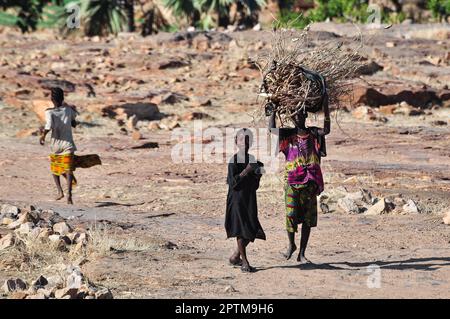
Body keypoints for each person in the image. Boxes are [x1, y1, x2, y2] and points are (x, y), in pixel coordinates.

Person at [268, 103, 330, 264]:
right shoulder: (288, 134)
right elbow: (272, 130)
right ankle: (291, 245)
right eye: (294, 115)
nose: (297, 117)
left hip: (310, 181)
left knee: (308, 219)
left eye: (301, 114)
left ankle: (302, 253)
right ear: (291, 117)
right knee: (290, 215)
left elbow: (327, 130)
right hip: (292, 180)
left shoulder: (314, 133)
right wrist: (273, 110)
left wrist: (326, 105)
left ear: (305, 116)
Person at [225, 128, 265, 273]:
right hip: (236, 200)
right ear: (236, 142)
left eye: (248, 139)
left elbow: (255, 186)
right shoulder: (233, 161)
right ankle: (245, 263)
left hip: (249, 199)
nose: (245, 142)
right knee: (242, 231)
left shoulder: (252, 159)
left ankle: (236, 256)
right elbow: (233, 183)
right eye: (242, 139)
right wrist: (247, 170)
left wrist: (258, 173)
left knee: (252, 229)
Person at [40, 87, 78, 205]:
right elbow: (74, 123)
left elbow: (48, 126)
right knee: (68, 170)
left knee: (55, 169)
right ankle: (69, 196)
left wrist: (42, 136)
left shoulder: (49, 112)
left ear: (52, 99)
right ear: (62, 98)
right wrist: (69, 121)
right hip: (68, 144)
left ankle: (60, 191)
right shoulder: (68, 110)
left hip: (56, 145)